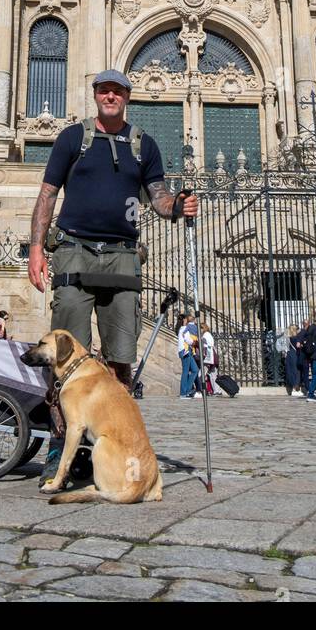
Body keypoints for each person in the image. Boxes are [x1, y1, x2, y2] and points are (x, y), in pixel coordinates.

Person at [28, 69, 197, 486]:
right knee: (62, 359)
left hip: (122, 257)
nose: (110, 97)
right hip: (73, 251)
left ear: (127, 97)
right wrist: (35, 248)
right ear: (95, 96)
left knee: (121, 359)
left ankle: (116, 444)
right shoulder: (72, 139)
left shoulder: (144, 146)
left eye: (117, 91)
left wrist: (176, 206)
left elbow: (157, 196)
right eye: (104, 90)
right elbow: (48, 193)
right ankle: (58, 446)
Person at [176, 311, 198, 399]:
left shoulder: (183, 328)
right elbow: (188, 340)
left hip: (188, 351)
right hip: (185, 351)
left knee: (195, 370)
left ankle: (188, 390)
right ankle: (183, 393)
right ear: (184, 320)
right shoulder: (184, 328)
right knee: (185, 372)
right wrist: (195, 342)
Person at [291, 319, 310, 397]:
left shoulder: (293, 336)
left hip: (297, 356)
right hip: (302, 356)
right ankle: (308, 390)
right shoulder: (302, 333)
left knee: (297, 374)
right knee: (303, 374)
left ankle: (297, 389)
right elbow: (298, 345)